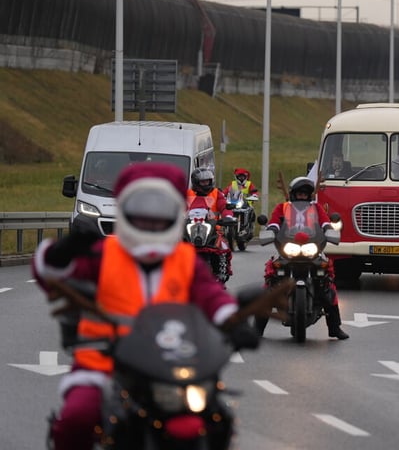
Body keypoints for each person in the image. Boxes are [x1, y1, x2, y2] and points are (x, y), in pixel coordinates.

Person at [33, 162, 259, 450]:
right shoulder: (104, 253)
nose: (150, 220)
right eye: (141, 212)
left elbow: (212, 295)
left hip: (174, 361)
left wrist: (234, 320)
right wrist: (61, 253)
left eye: (160, 212)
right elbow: (50, 276)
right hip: (104, 361)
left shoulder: (184, 259)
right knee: (79, 416)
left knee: (217, 417)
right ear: (125, 210)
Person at [266, 176, 349, 340]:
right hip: (288, 249)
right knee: (269, 284)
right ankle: (258, 327)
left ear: (310, 195)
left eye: (305, 194)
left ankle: (335, 327)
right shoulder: (283, 207)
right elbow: (274, 223)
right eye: (299, 193)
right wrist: (271, 230)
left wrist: (329, 231)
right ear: (293, 194)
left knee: (328, 285)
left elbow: (325, 223)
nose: (302, 196)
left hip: (311, 248)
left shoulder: (316, 208)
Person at [187, 167, 235, 277]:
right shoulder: (187, 194)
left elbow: (224, 206)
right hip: (190, 230)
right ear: (196, 182)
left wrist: (228, 216)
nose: (206, 184)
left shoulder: (216, 193)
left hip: (213, 230)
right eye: (203, 182)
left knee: (223, 247)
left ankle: (221, 271)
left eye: (207, 181)